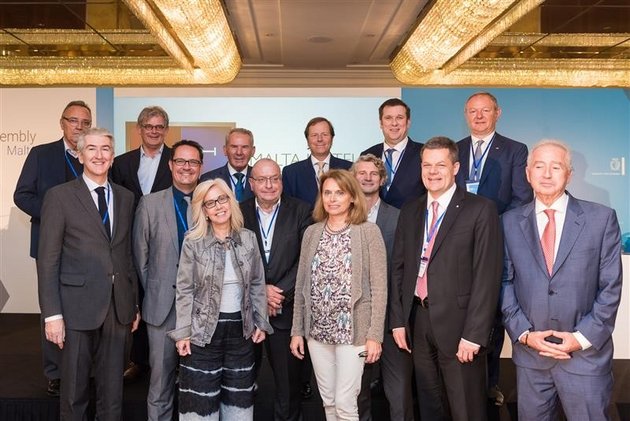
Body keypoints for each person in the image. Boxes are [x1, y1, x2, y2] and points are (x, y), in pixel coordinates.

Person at [501, 140, 622, 420]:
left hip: (585, 358)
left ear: (569, 174)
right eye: (539, 166)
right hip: (531, 358)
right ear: (527, 173)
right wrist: (524, 334)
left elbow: (610, 287)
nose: (546, 174)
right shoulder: (508, 222)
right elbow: (504, 282)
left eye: (555, 167)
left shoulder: (601, 219)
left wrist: (580, 339)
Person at [390, 136, 502, 420]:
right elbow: (399, 269)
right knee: (429, 405)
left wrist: (474, 335)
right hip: (417, 320)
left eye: (440, 165)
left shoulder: (480, 209)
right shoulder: (411, 210)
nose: (432, 171)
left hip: (461, 326)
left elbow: (487, 277)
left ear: (455, 168)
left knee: (466, 408)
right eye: (427, 165)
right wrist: (398, 320)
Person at [37, 127, 140, 420]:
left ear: (113, 156)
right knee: (74, 391)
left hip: (118, 307)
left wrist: (133, 303)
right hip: (75, 307)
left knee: (113, 392)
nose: (99, 155)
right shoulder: (59, 197)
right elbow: (48, 260)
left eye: (105, 149)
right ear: (80, 155)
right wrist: (52, 315)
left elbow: (126, 255)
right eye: (91, 148)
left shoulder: (125, 197)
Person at [169, 178, 273, 420]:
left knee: (239, 408)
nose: (218, 206)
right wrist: (183, 332)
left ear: (231, 201)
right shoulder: (193, 242)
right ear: (203, 211)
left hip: (241, 334)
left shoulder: (248, 238)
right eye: (210, 203)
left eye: (222, 199)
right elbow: (184, 289)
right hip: (202, 334)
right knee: (199, 410)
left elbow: (257, 283)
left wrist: (261, 321)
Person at [290, 169, 387, 421]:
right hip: (317, 332)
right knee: (329, 402)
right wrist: (297, 330)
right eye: (327, 193)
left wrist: (375, 335)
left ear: (352, 197)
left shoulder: (368, 231)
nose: (332, 199)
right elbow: (301, 286)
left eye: (339, 193)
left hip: (354, 334)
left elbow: (379, 288)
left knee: (345, 403)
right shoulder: (312, 233)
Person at [455, 91, 533, 405]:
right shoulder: (455, 150)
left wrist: (490, 227)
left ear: (497, 113)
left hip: (497, 241)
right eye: (473, 111)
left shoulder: (515, 150)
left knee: (492, 313)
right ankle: (460, 379)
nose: (478, 116)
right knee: (460, 310)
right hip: (457, 244)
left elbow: (521, 199)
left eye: (485, 110)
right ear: (466, 114)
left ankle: (490, 383)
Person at [13, 99, 92, 396]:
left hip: (88, 249)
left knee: (86, 309)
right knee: (52, 309)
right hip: (50, 246)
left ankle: (84, 368)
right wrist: (53, 215)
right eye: (74, 120)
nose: (79, 127)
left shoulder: (95, 155)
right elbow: (22, 195)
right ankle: (55, 372)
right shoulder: (41, 154)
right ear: (62, 123)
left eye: (85, 122)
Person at [133, 140, 204, 421]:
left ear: (201, 167)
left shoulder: (211, 202)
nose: (187, 167)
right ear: (171, 165)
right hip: (162, 308)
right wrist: (158, 291)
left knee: (200, 384)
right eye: (181, 161)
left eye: (193, 162)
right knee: (160, 383)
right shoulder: (149, 204)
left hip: (203, 309)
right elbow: (141, 258)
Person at [241, 158, 313, 421]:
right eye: (262, 179)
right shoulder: (238, 213)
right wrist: (261, 291)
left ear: (281, 182)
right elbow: (234, 260)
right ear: (251, 184)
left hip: (286, 309)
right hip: (247, 313)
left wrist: (278, 292)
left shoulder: (302, 210)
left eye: (274, 179)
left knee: (288, 387)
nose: (269, 185)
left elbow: (306, 258)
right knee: (241, 383)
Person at [111, 105, 173, 381]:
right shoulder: (121, 163)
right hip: (128, 239)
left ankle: (172, 361)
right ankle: (138, 360)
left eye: (159, 127)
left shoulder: (175, 160)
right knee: (136, 296)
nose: (154, 131)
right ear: (139, 129)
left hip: (165, 239)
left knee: (164, 298)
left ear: (166, 130)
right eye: (149, 126)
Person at [351, 155, 412, 421]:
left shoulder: (399, 217)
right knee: (357, 393)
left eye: (373, 173)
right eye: (361, 173)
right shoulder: (342, 218)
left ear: (382, 179)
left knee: (399, 393)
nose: (367, 177)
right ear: (353, 178)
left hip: (392, 317)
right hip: (356, 318)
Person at [361, 98, 425, 209]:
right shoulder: (367, 154)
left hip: (411, 218)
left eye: (399, 118)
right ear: (381, 123)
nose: (394, 123)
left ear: (408, 122)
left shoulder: (423, 153)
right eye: (388, 118)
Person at [282, 117, 352, 207]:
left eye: (324, 134)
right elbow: (288, 209)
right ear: (307, 140)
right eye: (314, 135)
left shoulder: (349, 169)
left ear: (332, 138)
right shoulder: (291, 172)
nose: (320, 139)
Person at [200, 128, 256, 202]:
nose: (239, 152)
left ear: (253, 151)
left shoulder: (261, 179)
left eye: (244, 147)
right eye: (234, 147)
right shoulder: (208, 178)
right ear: (225, 150)